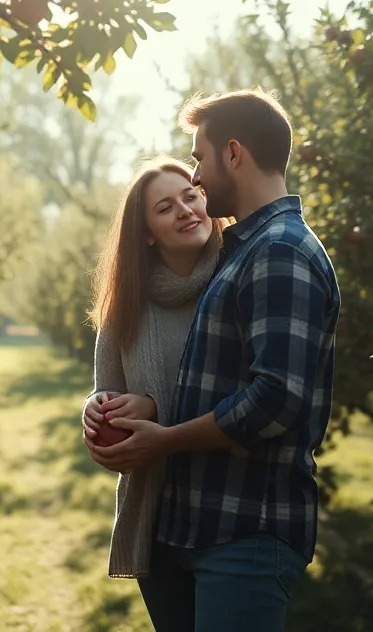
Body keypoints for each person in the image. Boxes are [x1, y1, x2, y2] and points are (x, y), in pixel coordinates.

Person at [89, 89, 341, 632]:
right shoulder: (244, 252)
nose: (197, 179)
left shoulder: (278, 251)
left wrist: (167, 438)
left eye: (199, 159)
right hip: (201, 525)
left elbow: (275, 401)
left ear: (233, 154)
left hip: (247, 527)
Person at [79, 156, 226, 605]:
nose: (184, 210)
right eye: (164, 208)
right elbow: (114, 400)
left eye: (190, 196)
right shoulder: (124, 309)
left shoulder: (237, 280)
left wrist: (155, 406)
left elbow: (252, 394)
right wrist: (99, 408)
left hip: (227, 509)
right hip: (157, 517)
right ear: (144, 233)